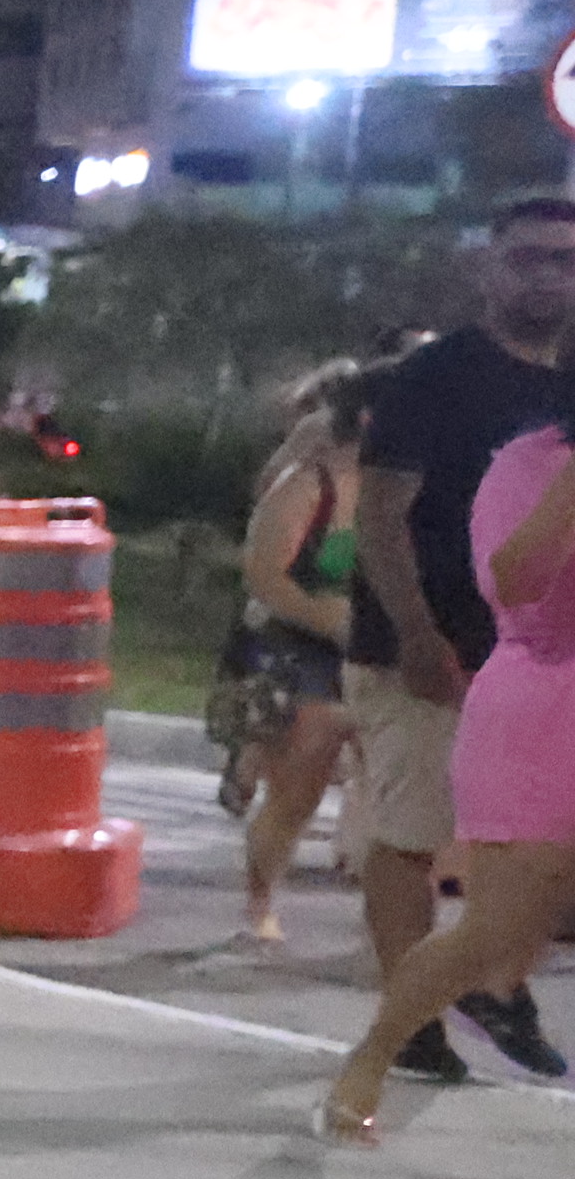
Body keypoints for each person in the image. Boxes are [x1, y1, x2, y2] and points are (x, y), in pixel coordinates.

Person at [341, 200, 575, 1078]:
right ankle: (410, 1027)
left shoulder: (564, 389)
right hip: (429, 646)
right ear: (490, 266)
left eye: (565, 260)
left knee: (529, 857)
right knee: (413, 834)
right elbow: (381, 513)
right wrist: (414, 632)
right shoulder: (436, 376)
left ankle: (490, 984)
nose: (547, 276)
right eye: (528, 258)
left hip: (539, 666)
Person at [325, 402, 575, 1136]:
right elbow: (515, 589)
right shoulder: (529, 463)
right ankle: (372, 1059)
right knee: (497, 933)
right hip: (545, 710)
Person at [216, 363, 366, 950]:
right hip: (300, 645)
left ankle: (392, 921)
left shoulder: (410, 487)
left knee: (398, 787)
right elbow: (265, 574)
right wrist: (328, 618)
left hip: (381, 650)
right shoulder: (311, 482)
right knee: (300, 785)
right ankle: (260, 902)